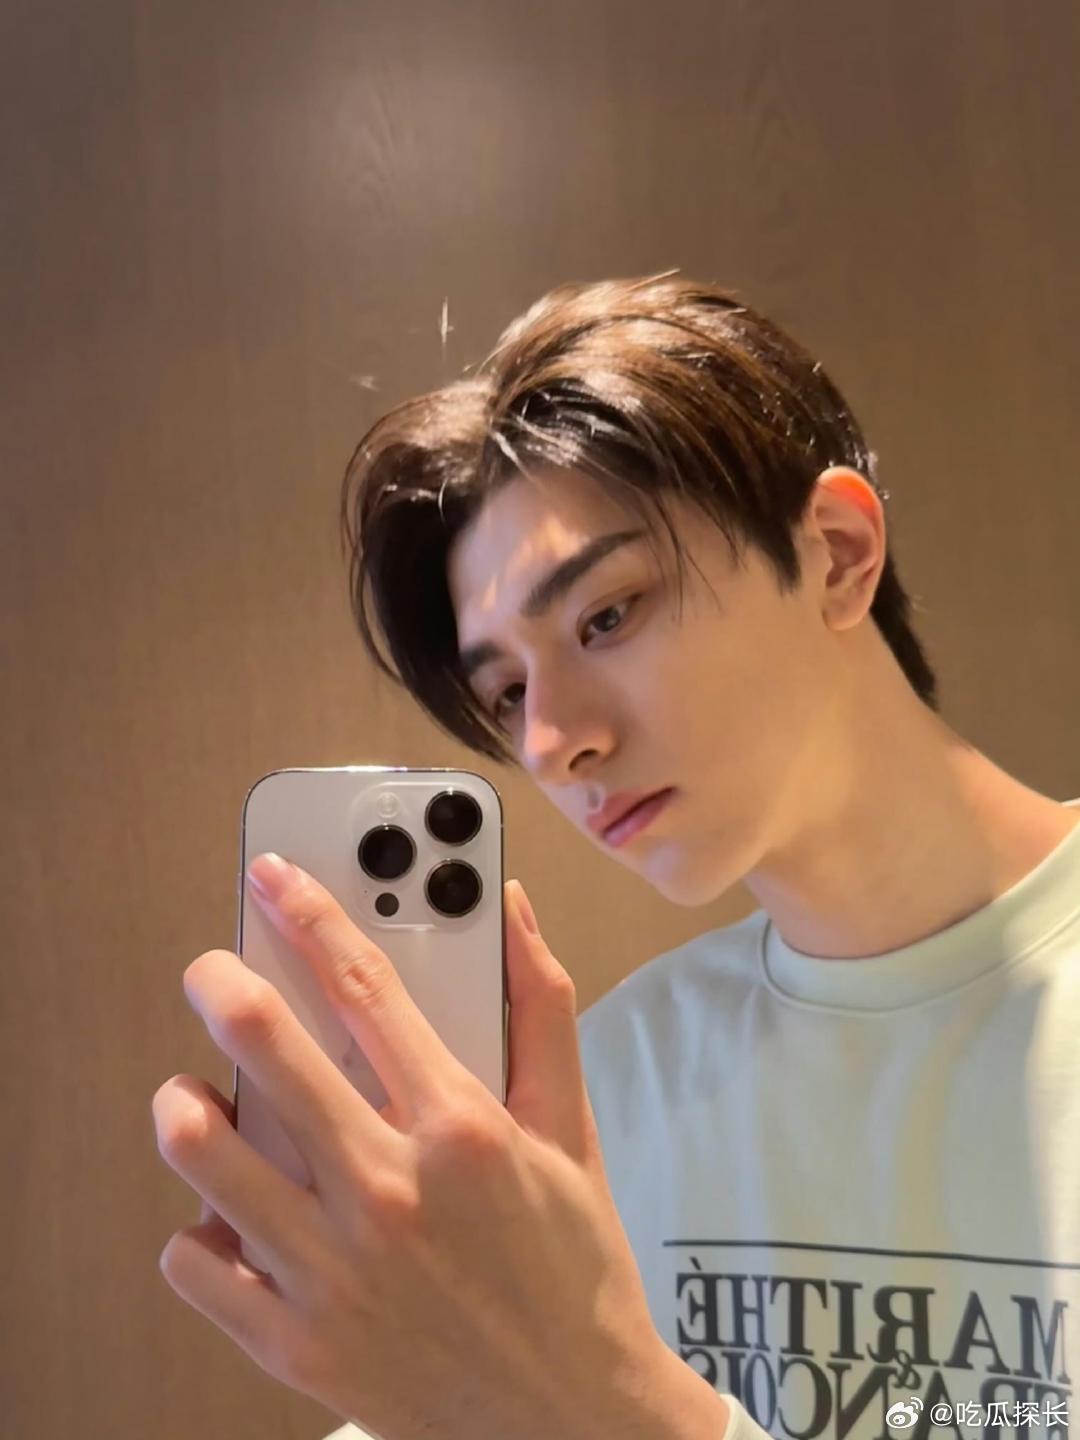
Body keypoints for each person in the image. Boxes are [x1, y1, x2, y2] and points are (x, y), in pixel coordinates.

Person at [326, 273, 1080, 1438]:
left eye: (607, 615)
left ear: (836, 553)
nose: (552, 741)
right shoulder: (604, 1092)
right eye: (509, 692)